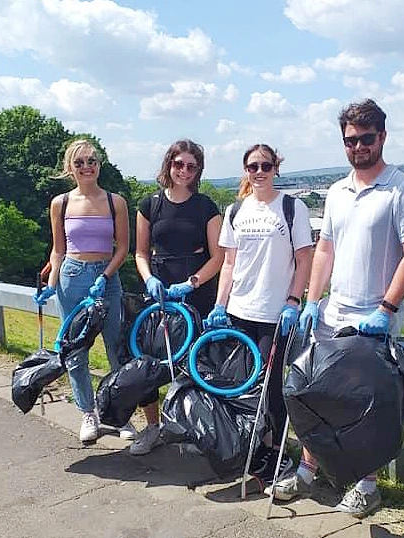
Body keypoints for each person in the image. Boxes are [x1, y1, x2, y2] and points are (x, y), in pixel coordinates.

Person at [270, 99, 404, 518]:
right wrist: (312, 300)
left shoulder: (400, 188)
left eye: (365, 138)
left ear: (382, 137)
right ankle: (308, 470)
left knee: (364, 405)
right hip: (333, 312)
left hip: (374, 318)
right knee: (315, 393)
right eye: (350, 140)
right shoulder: (338, 192)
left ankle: (367, 484)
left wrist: (387, 309)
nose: (358, 146)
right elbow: (325, 248)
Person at [205, 143, 313, 488]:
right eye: (253, 166)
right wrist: (220, 305)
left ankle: (277, 454)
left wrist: (294, 301)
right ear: (245, 170)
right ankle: (253, 449)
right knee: (245, 387)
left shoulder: (292, 208)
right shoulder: (235, 210)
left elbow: (305, 259)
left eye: (266, 165)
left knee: (273, 389)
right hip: (239, 312)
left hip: (274, 314)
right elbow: (229, 264)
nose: (260, 172)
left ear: (276, 168)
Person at [33, 139, 134, 444]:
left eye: (92, 160)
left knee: (116, 348)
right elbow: (58, 250)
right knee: (76, 350)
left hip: (107, 276)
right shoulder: (60, 203)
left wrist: (105, 275)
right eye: (80, 163)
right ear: (70, 168)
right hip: (72, 277)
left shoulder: (115, 202)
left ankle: (120, 415)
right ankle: (88, 412)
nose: (87, 167)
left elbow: (124, 248)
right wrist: (50, 286)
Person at [130, 139, 224, 455]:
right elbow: (140, 253)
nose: (183, 171)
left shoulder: (206, 207)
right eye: (178, 164)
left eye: (191, 166)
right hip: (159, 290)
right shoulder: (149, 205)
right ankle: (154, 426)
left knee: (195, 362)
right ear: (169, 164)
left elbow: (219, 256)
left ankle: (191, 427)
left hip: (196, 289)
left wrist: (193, 283)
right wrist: (149, 279)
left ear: (198, 171)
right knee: (150, 360)